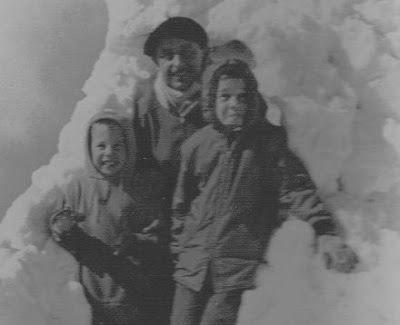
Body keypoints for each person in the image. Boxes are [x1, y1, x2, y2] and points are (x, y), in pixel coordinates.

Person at [170, 59, 358, 325]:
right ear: (211, 99)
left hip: (234, 270)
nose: (234, 104)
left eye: (242, 96)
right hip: (192, 267)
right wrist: (181, 249)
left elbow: (296, 188)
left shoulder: (268, 143)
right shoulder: (197, 145)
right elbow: (181, 204)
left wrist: (324, 230)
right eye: (225, 96)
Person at [48, 109, 169, 325]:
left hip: (132, 297)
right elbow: (66, 231)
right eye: (101, 146)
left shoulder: (139, 189)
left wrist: (137, 242)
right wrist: (62, 228)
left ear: (129, 147)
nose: (109, 153)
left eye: (117, 146)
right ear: (89, 147)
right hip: (93, 297)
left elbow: (158, 238)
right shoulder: (78, 187)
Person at [134, 16, 209, 194]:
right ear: (156, 61)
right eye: (167, 55)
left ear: (203, 54)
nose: (178, 63)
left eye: (188, 53)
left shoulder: (223, 95)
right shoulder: (144, 110)